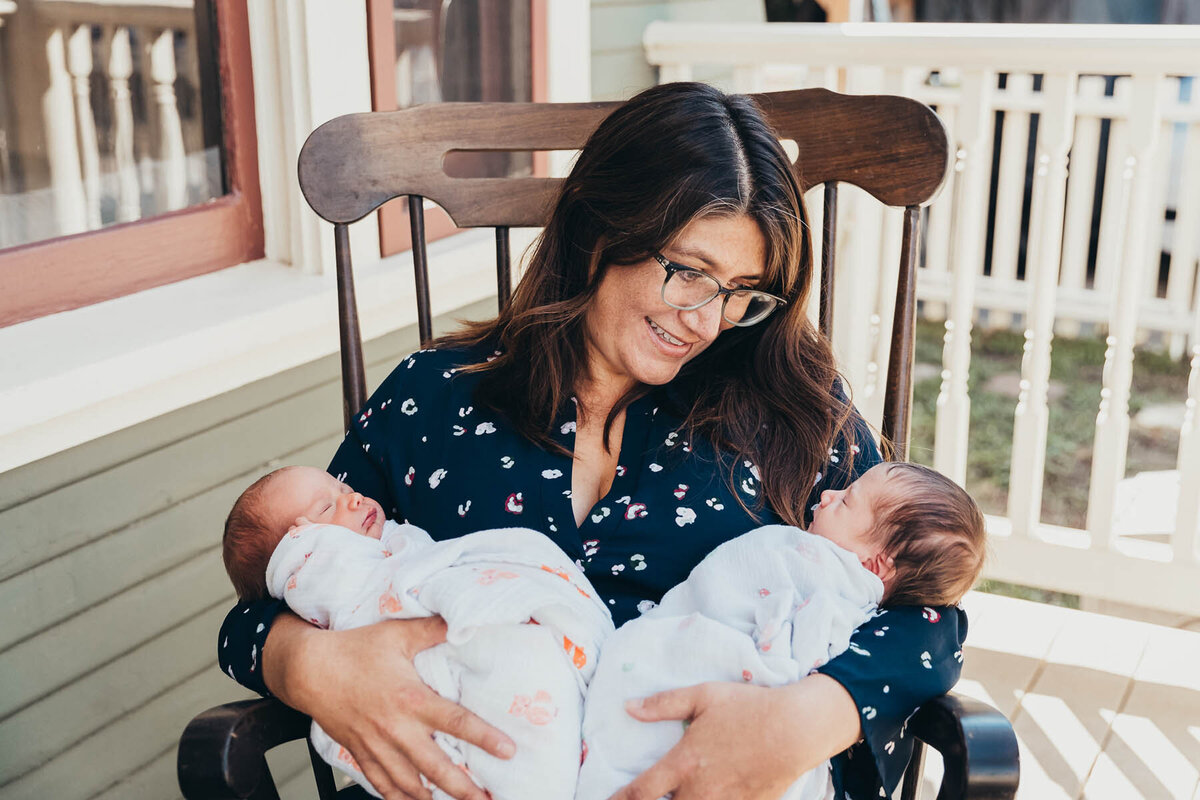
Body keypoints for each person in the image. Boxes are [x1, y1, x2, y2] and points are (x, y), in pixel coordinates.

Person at [218, 81, 966, 800]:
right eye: (691, 274)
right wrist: (308, 664)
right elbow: (272, 578)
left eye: (742, 294)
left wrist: (812, 717)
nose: (707, 322)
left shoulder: (791, 410)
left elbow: (927, 608)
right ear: (599, 230)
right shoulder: (433, 400)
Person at [578, 461, 986, 800]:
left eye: (844, 501)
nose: (825, 496)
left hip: (740, 722)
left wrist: (797, 716)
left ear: (873, 565)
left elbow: (927, 625)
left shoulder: (831, 581)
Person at [222, 465, 614, 800]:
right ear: (299, 545)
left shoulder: (383, 540)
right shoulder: (318, 569)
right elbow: (242, 629)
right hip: (446, 671)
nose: (354, 497)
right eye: (328, 505)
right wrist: (302, 658)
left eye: (346, 489)